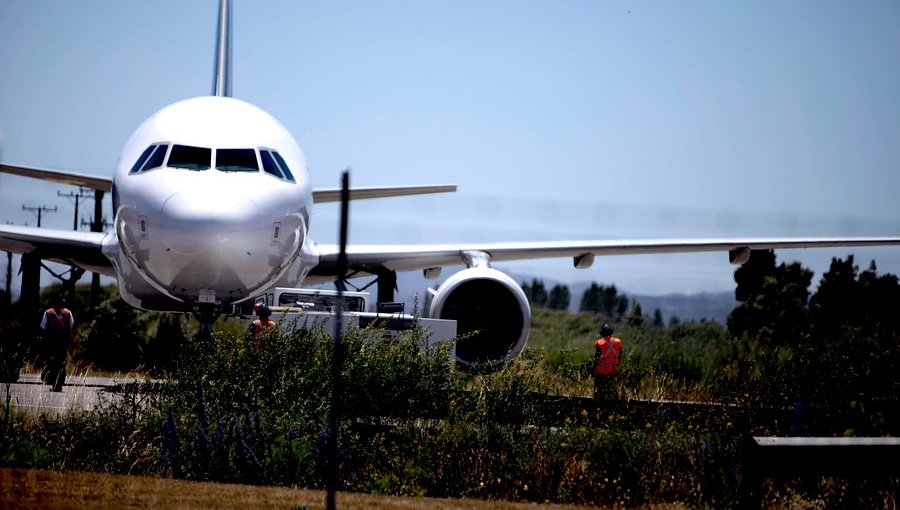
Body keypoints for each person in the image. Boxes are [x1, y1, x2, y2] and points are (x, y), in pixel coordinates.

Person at [40, 293, 74, 392]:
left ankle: (54, 383)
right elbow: (71, 326)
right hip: (63, 343)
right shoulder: (68, 313)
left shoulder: (48, 312)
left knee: (52, 363)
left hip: (51, 343)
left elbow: (43, 327)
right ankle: (59, 384)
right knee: (61, 364)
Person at [592, 323, 622, 401]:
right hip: (613, 369)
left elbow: (596, 357)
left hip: (601, 370)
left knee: (599, 390)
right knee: (612, 389)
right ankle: (615, 406)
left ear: (602, 334)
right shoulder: (617, 342)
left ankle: (598, 405)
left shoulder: (600, 343)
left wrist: (593, 369)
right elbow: (620, 354)